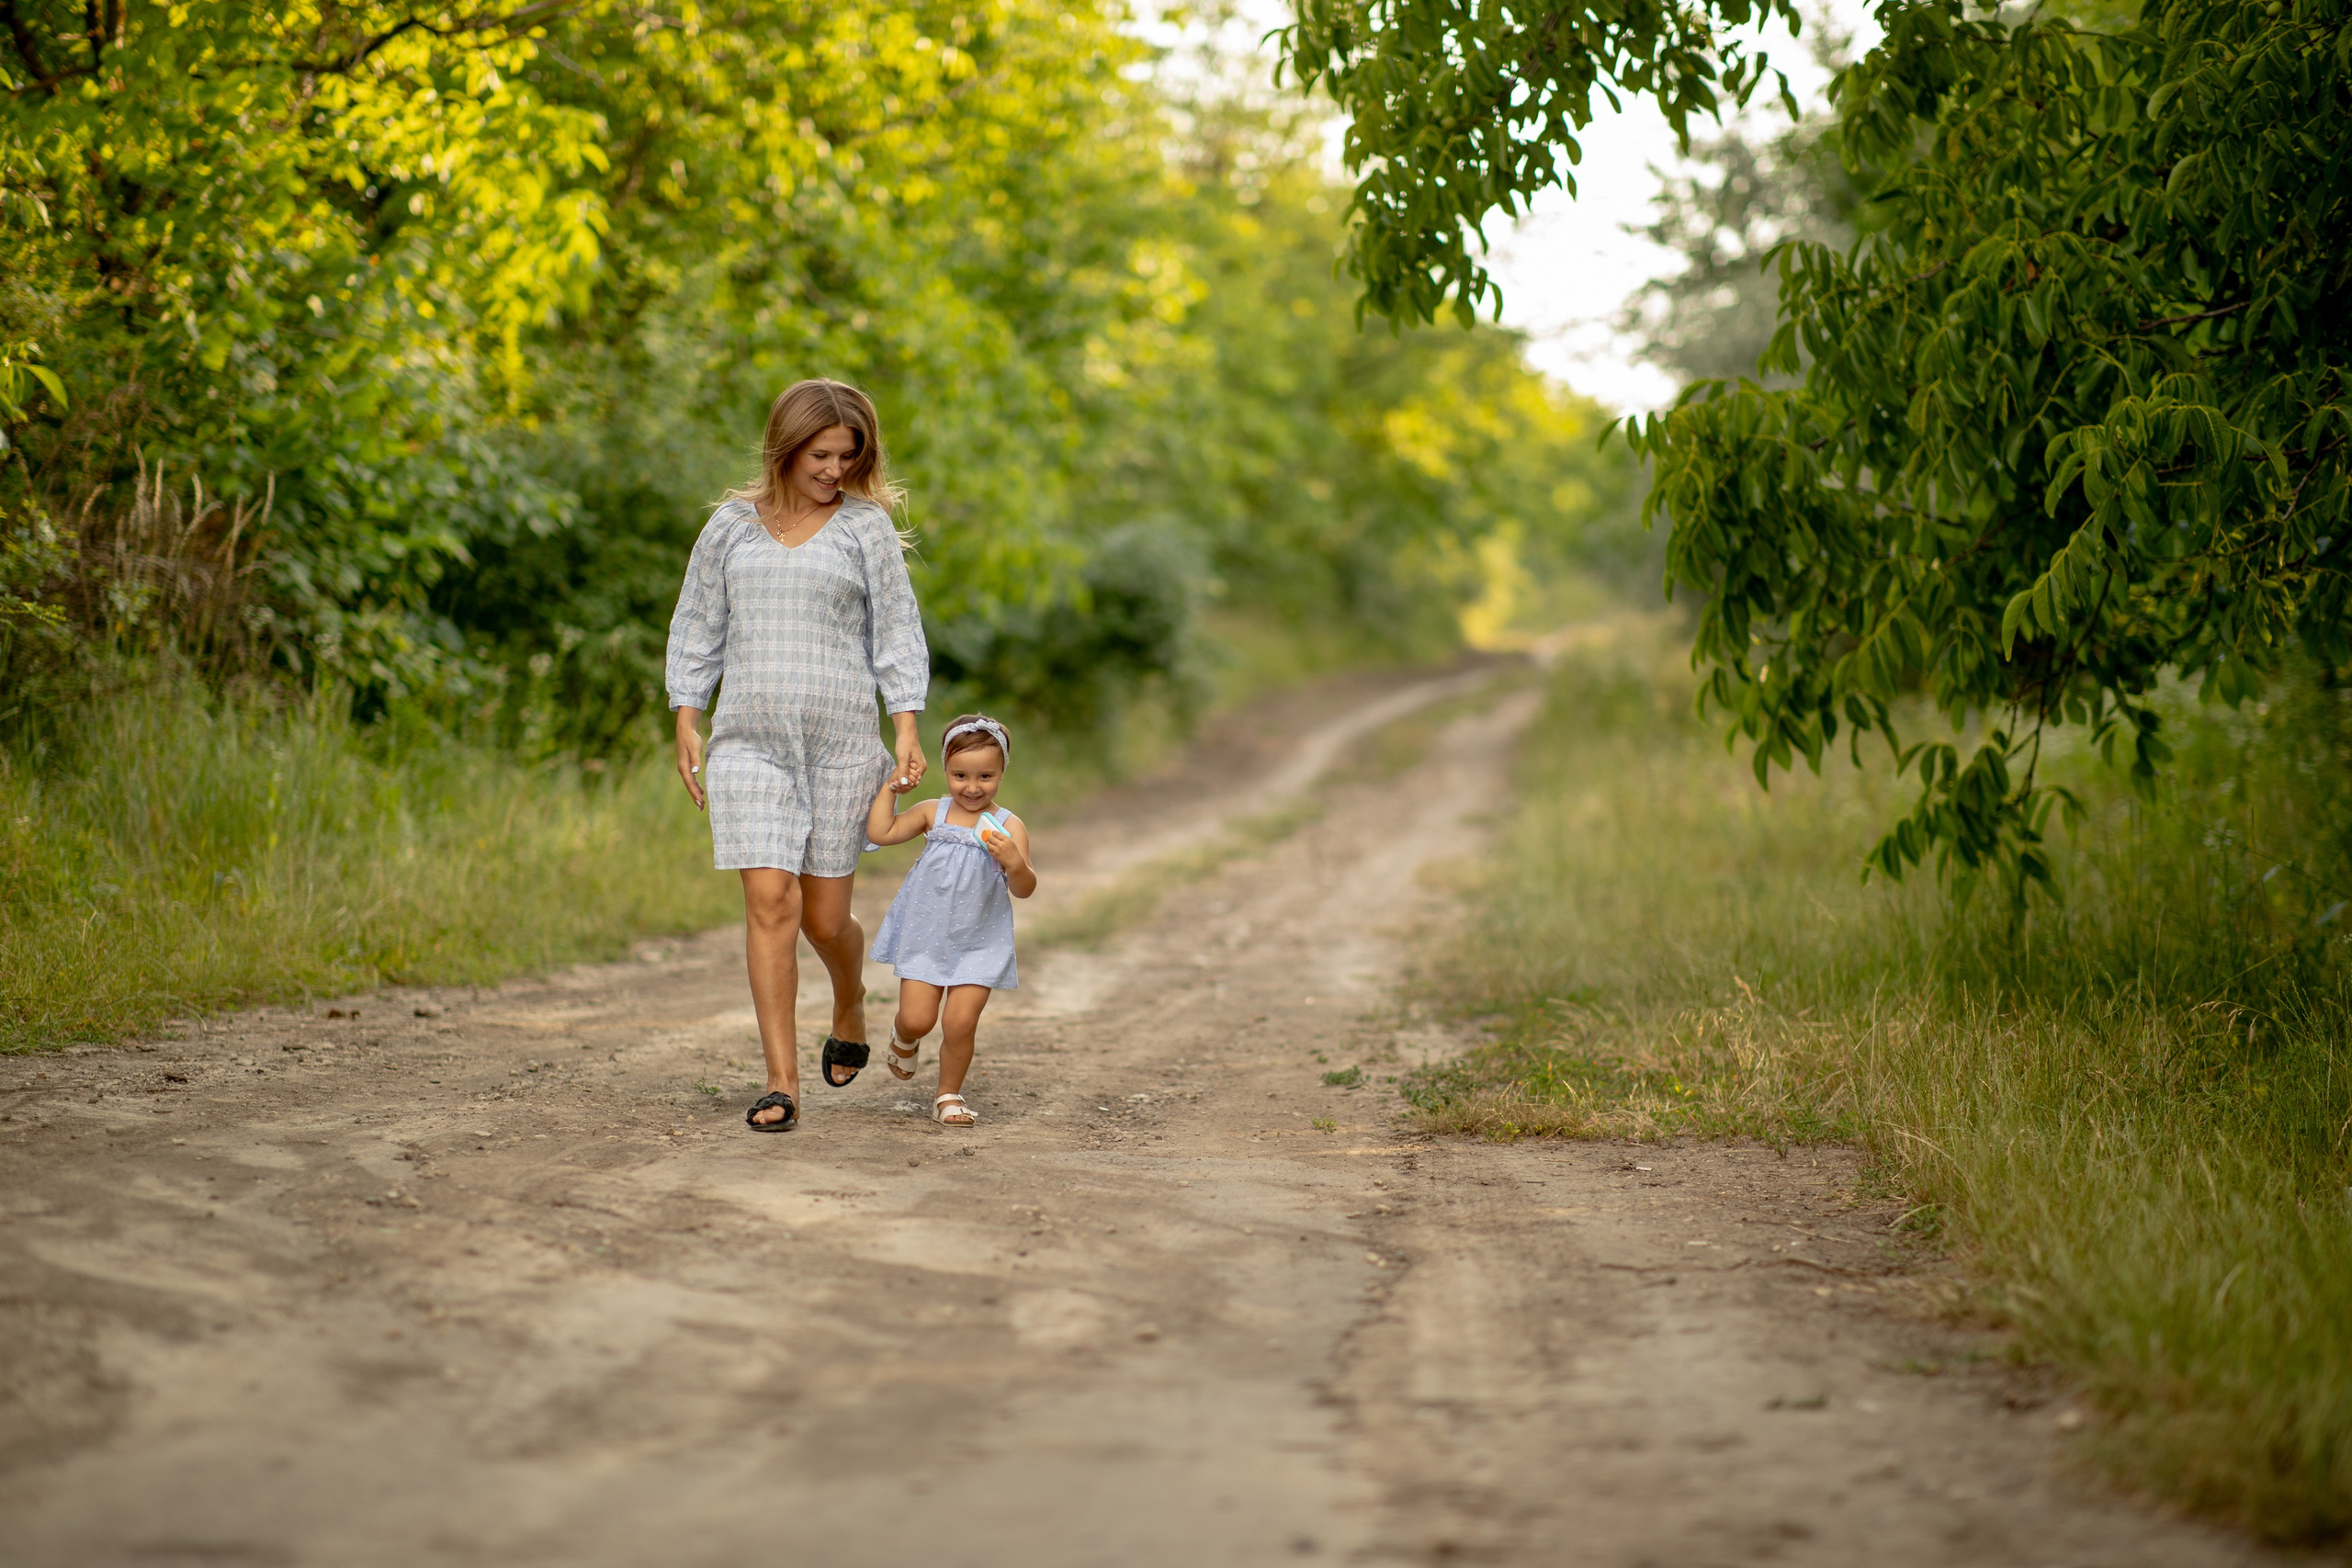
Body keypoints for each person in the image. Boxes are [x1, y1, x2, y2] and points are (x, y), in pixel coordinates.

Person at [666, 379, 930, 1134]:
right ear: (785, 448)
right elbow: (698, 623)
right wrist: (688, 714)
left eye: (848, 456)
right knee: (770, 901)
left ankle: (849, 995)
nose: (834, 470)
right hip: (749, 744)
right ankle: (781, 1082)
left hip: (841, 744)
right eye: (821, 455)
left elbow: (897, 631)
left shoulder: (864, 528)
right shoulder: (729, 528)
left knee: (825, 919)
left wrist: (905, 726)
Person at [865, 715, 1035, 1127]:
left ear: (1002, 772)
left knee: (960, 1024)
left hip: (980, 941)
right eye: (960, 775)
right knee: (918, 1019)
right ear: (945, 770)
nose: (972, 787)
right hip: (927, 936)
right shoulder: (933, 813)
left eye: (985, 776)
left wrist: (1015, 863)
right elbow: (881, 832)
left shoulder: (1009, 827)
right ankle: (904, 1035)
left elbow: (1025, 888)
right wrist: (891, 788)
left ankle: (948, 1095)